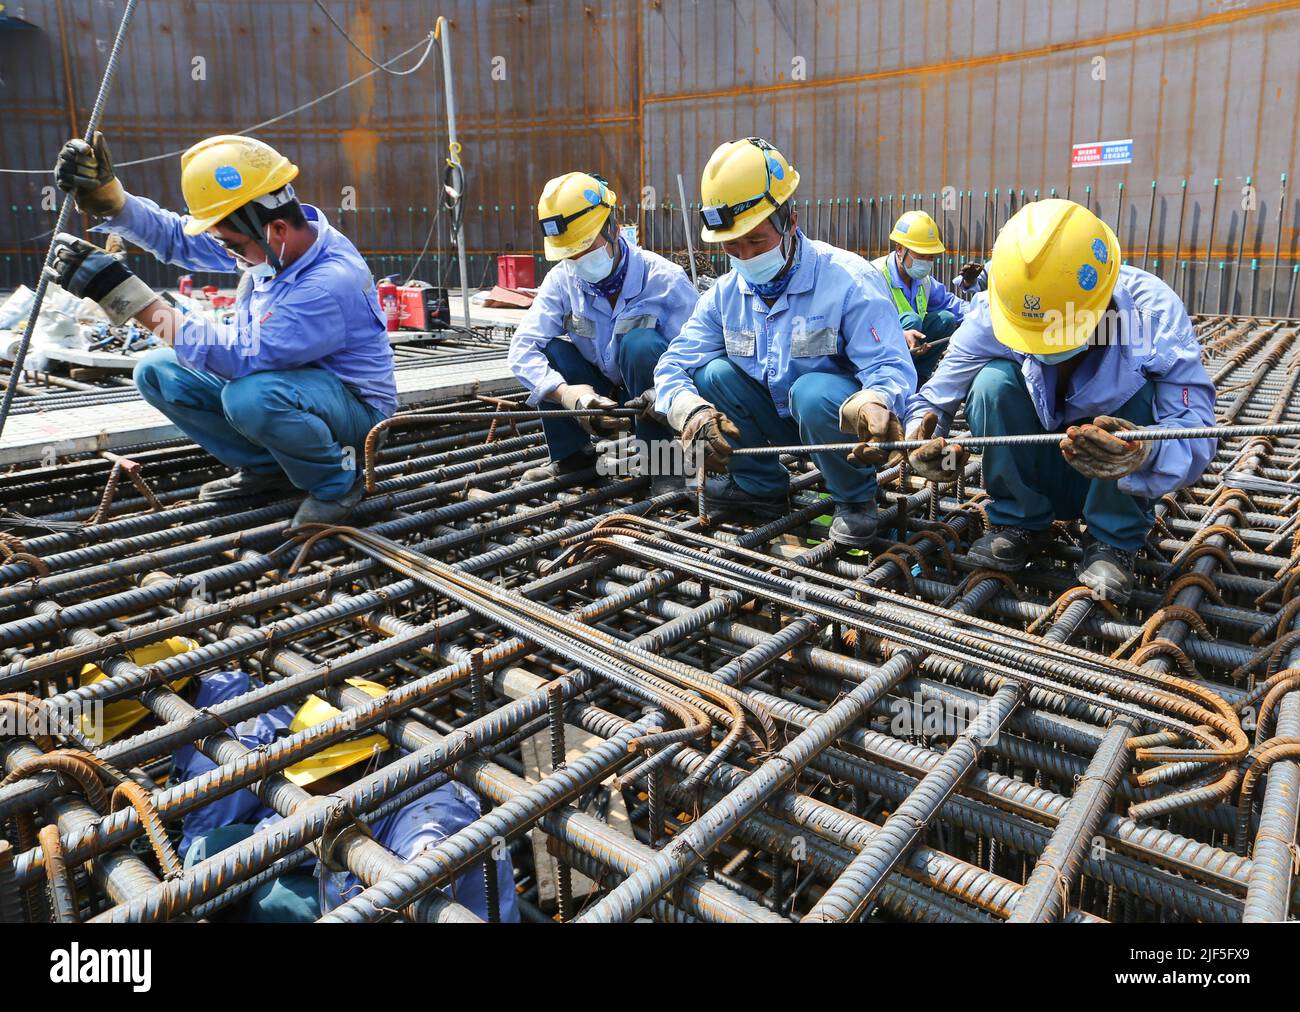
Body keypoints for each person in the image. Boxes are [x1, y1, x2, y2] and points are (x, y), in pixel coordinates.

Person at [49, 132, 396, 527]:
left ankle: (337, 482)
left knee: (249, 397)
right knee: (159, 371)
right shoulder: (272, 241)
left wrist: (129, 298)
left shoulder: (326, 284)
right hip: (295, 389)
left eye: (230, 245)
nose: (228, 254)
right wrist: (115, 203)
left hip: (355, 415)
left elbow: (240, 357)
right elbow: (180, 238)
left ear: (277, 230)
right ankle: (269, 470)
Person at [904, 198, 1216, 602]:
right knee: (992, 383)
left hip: (1115, 478)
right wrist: (921, 438)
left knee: (1140, 389)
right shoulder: (998, 309)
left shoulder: (1148, 316)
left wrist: (1143, 453)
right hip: (1035, 465)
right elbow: (936, 399)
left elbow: (1198, 431)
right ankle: (1019, 523)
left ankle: (1113, 541)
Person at [653, 138, 915, 547]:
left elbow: (891, 366)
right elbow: (673, 365)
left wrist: (876, 400)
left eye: (757, 241)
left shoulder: (848, 280)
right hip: (770, 416)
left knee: (813, 390)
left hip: (831, 423)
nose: (745, 255)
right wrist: (688, 411)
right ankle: (758, 485)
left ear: (790, 220)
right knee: (713, 373)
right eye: (732, 247)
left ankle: (855, 498)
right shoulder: (723, 295)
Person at [175, 672, 519, 922]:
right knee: (214, 852)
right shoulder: (363, 787)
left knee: (270, 902)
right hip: (349, 875)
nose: (306, 792)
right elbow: (278, 829)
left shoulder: (430, 832)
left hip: (379, 901)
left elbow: (392, 908)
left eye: (317, 782)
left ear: (362, 768)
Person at [507, 171, 698, 494]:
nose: (578, 260)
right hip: (595, 392)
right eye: (569, 253)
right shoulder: (561, 281)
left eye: (585, 247)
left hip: (650, 396)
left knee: (641, 343)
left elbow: (699, 349)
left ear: (614, 227)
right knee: (552, 351)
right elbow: (522, 350)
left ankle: (662, 464)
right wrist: (567, 395)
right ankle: (572, 457)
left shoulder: (664, 280)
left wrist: (667, 391)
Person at [870, 210, 970, 384]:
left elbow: (950, 303)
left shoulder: (923, 280)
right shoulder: (874, 275)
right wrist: (900, 334)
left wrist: (983, 313)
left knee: (946, 319)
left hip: (913, 347)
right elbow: (864, 325)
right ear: (900, 249)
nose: (926, 261)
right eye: (921, 255)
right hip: (879, 352)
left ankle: (919, 379)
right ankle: (891, 381)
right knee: (912, 319)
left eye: (930, 257)